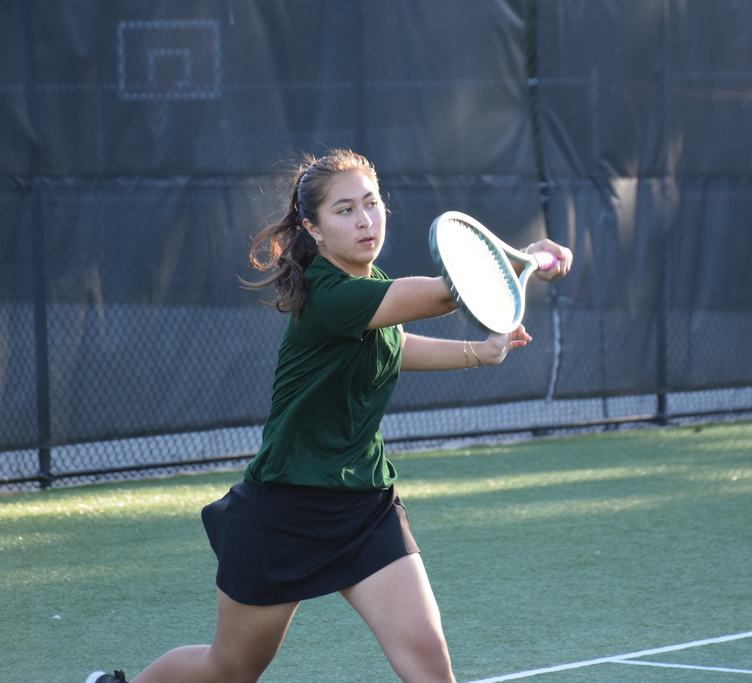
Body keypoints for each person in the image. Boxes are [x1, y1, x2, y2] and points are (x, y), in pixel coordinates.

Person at [86, 149, 572, 683]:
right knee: (229, 669)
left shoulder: (369, 284)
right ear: (313, 230)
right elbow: (444, 294)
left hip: (366, 506)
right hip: (285, 510)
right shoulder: (329, 293)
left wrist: (480, 352)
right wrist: (522, 258)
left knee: (431, 668)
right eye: (345, 210)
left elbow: (392, 342)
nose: (365, 219)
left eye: (372, 203)